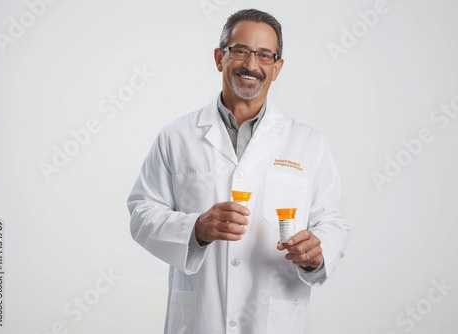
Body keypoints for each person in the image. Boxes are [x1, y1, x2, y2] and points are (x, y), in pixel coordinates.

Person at [127, 8, 350, 334]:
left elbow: (332, 221)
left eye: (264, 55)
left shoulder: (307, 143)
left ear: (277, 68)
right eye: (241, 51)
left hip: (276, 320)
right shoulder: (176, 137)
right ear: (220, 58)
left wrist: (318, 252)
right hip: (200, 319)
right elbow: (141, 213)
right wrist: (196, 228)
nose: (251, 64)